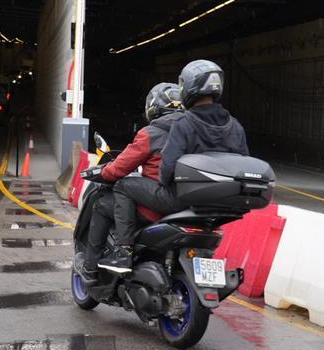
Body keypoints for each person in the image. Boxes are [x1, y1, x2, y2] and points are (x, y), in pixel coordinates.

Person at [98, 59, 249, 273]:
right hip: (218, 205)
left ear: (189, 88)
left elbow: (168, 166)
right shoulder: (234, 125)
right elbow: (242, 160)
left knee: (123, 185)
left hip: (180, 199)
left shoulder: (185, 123)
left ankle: (124, 251)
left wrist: (164, 184)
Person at [81, 82, 184, 279]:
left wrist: (103, 173)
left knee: (104, 203)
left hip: (157, 206)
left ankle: (96, 264)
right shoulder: (194, 132)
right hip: (188, 204)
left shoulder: (151, 133)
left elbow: (119, 168)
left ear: (153, 107)